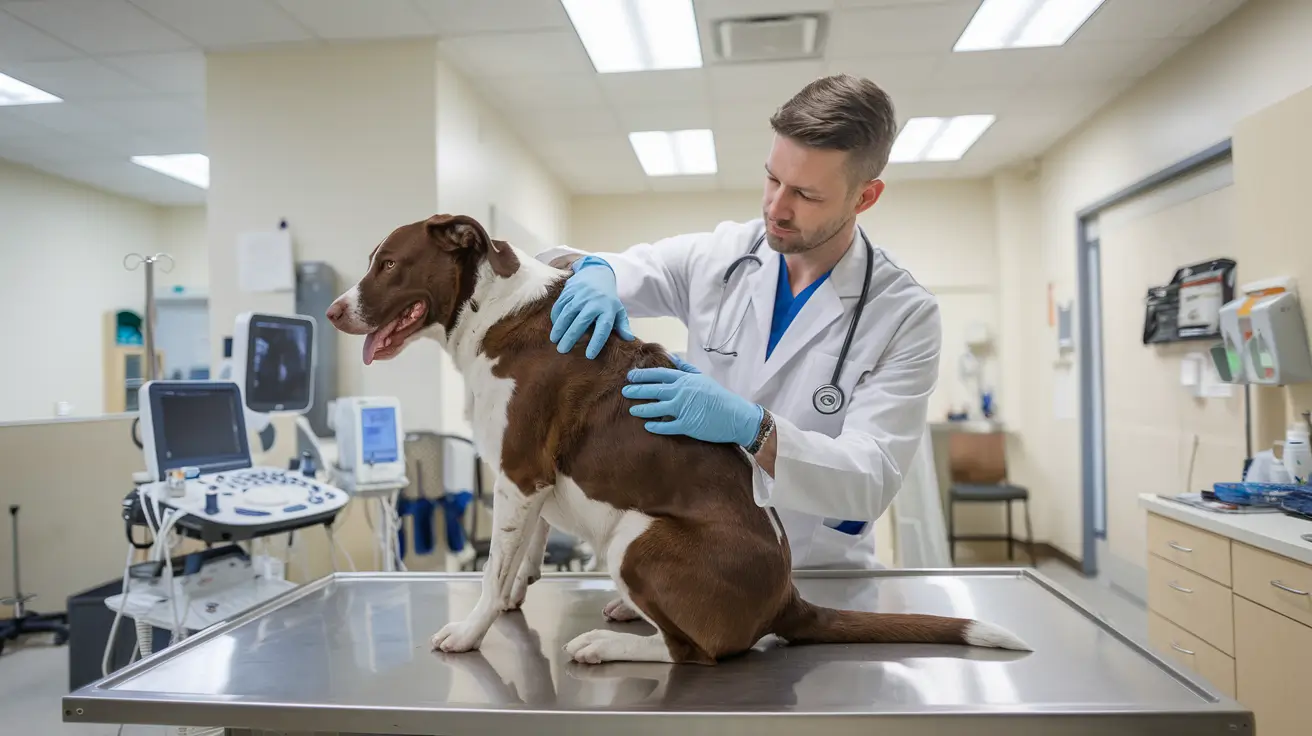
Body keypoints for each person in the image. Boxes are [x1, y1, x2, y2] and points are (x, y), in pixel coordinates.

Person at [536, 74, 941, 570]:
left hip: (815, 573)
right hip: (697, 558)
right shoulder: (722, 257)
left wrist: (755, 429)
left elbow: (872, 477)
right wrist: (598, 270)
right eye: (772, 178)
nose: (776, 206)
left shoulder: (903, 312)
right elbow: (635, 266)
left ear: (865, 197)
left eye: (806, 195)